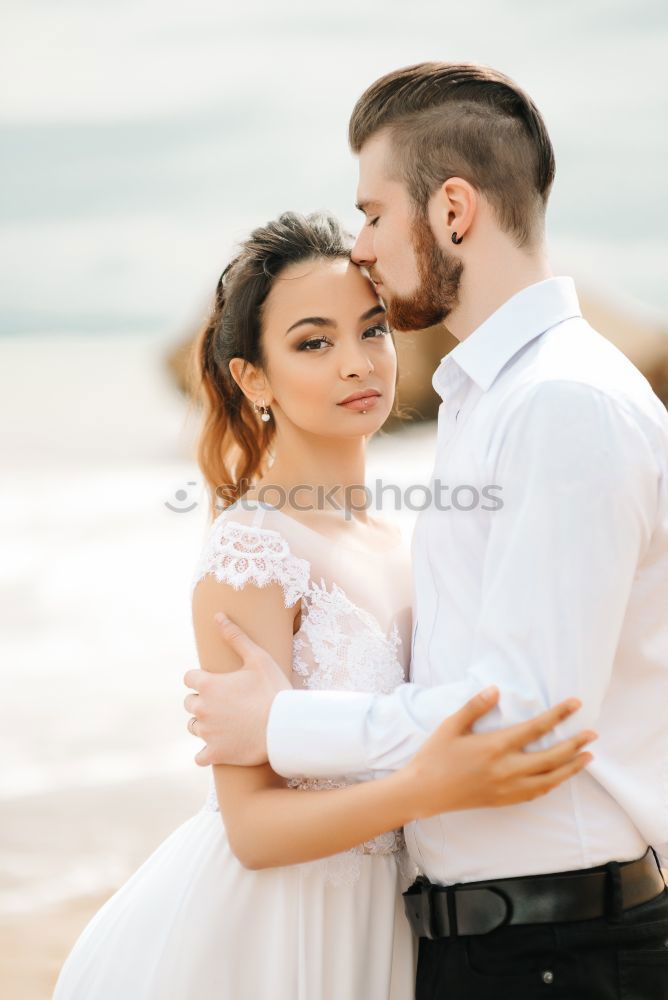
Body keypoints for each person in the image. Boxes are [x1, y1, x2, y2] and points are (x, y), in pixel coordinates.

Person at [184, 64, 668, 999]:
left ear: (453, 211)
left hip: (557, 946)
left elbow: (529, 715)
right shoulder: (484, 402)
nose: (363, 245)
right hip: (487, 940)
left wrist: (282, 723)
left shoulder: (558, 402)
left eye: (372, 213)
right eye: (313, 341)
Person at [52, 210, 591, 1000]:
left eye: (372, 331)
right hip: (282, 926)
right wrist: (427, 787)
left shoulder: (405, 541)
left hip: (397, 918)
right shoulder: (253, 552)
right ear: (254, 379)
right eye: (314, 342)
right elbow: (252, 828)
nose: (356, 364)